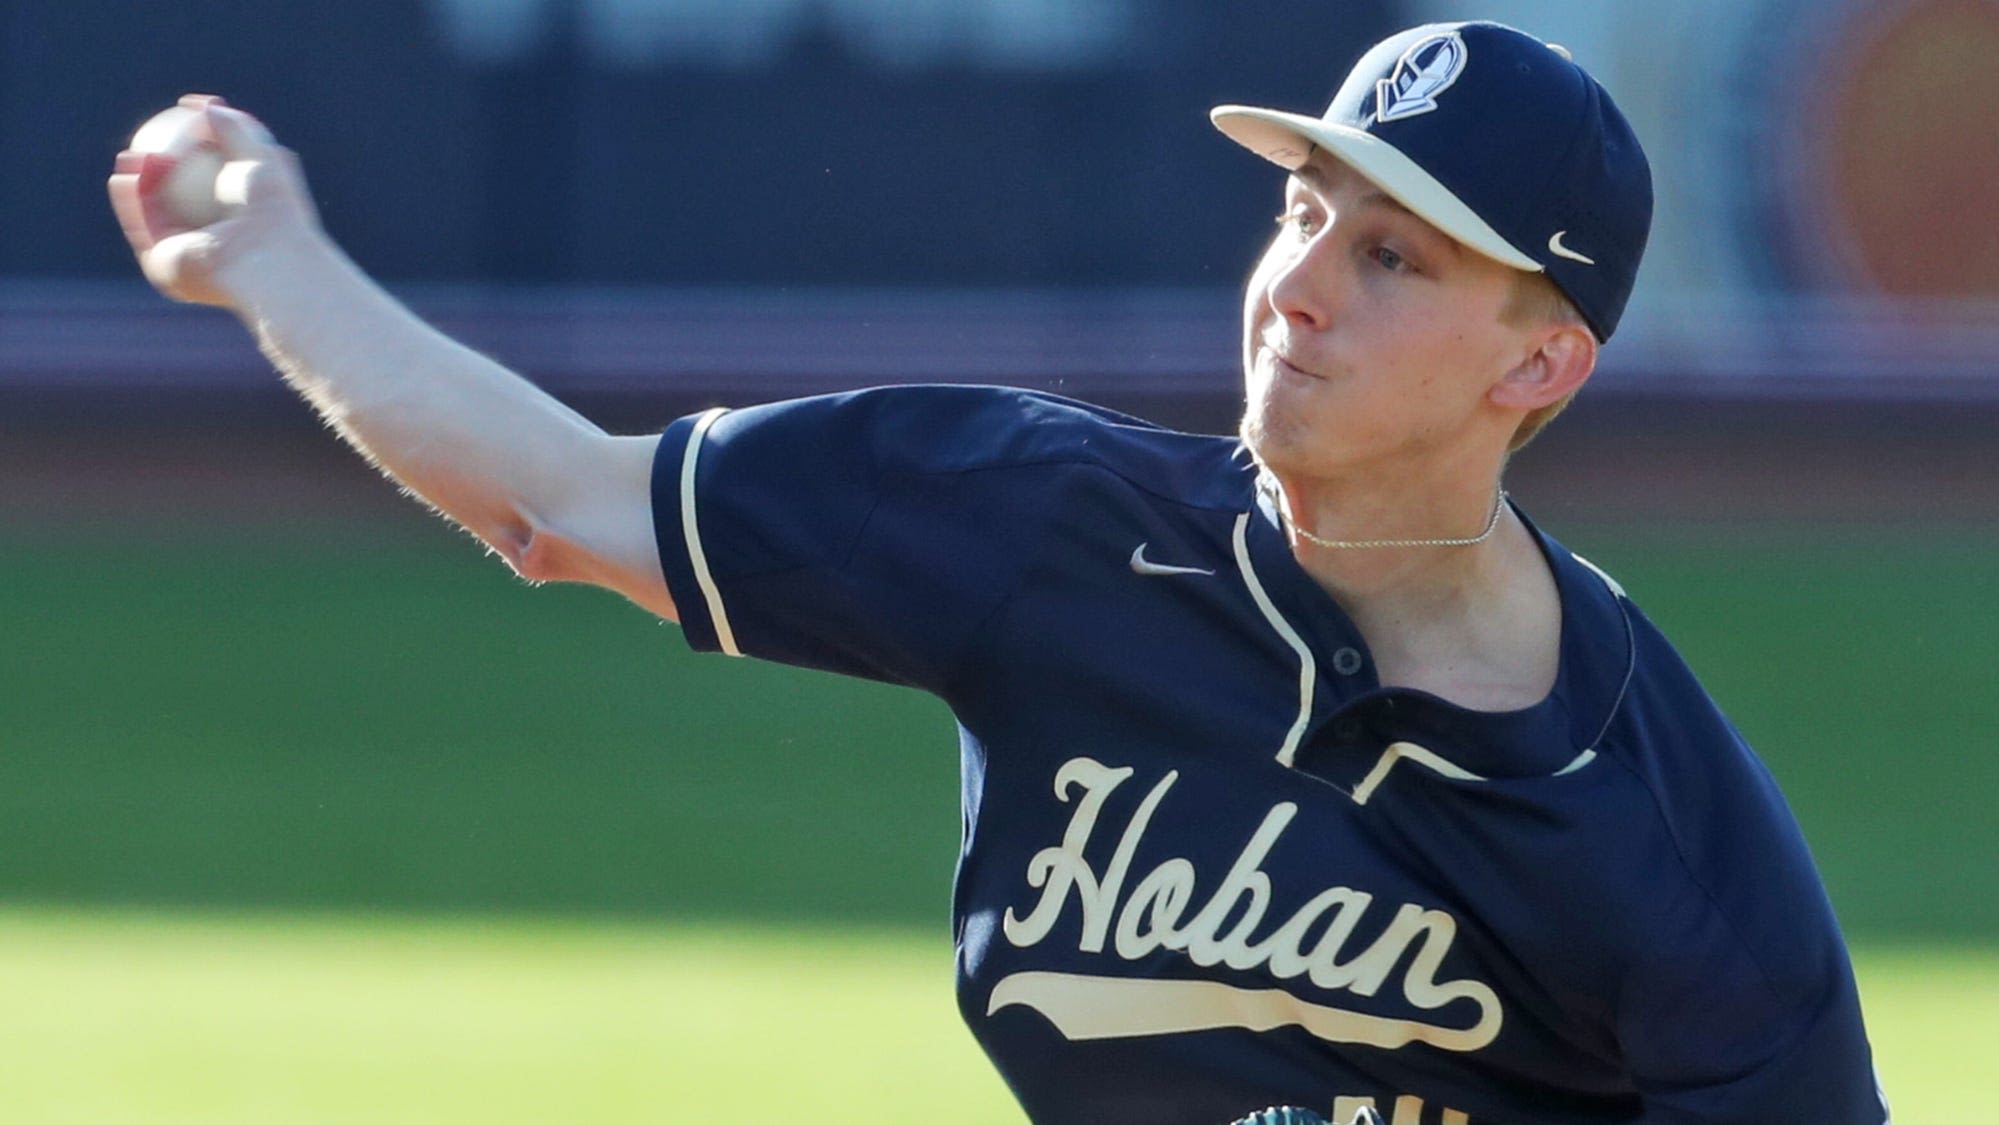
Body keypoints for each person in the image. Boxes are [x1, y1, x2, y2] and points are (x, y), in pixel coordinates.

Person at [110, 20, 1888, 1125]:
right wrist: (277, 262)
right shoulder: (1039, 527)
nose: (1298, 287)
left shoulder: (1653, 818)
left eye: (1394, 258)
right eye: (1298, 216)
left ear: (1538, 366)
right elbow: (564, 495)